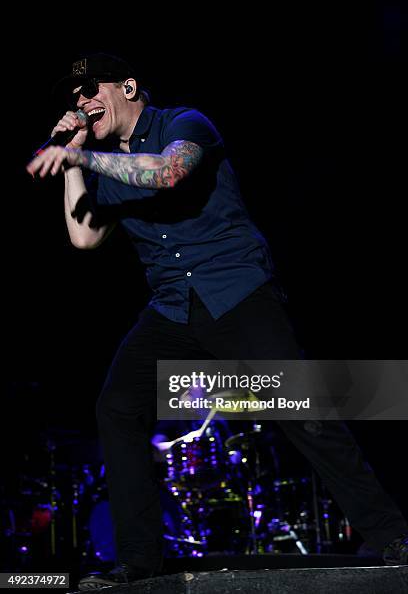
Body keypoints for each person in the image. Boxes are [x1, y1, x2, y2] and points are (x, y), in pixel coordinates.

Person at [27, 53, 408, 589]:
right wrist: (72, 158)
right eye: (75, 99)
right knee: (117, 406)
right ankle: (139, 560)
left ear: (128, 87)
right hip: (172, 308)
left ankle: (392, 535)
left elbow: (168, 172)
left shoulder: (185, 123)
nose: (83, 103)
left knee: (302, 413)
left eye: (92, 90)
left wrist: (87, 161)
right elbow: (84, 237)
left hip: (236, 293)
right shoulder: (103, 161)